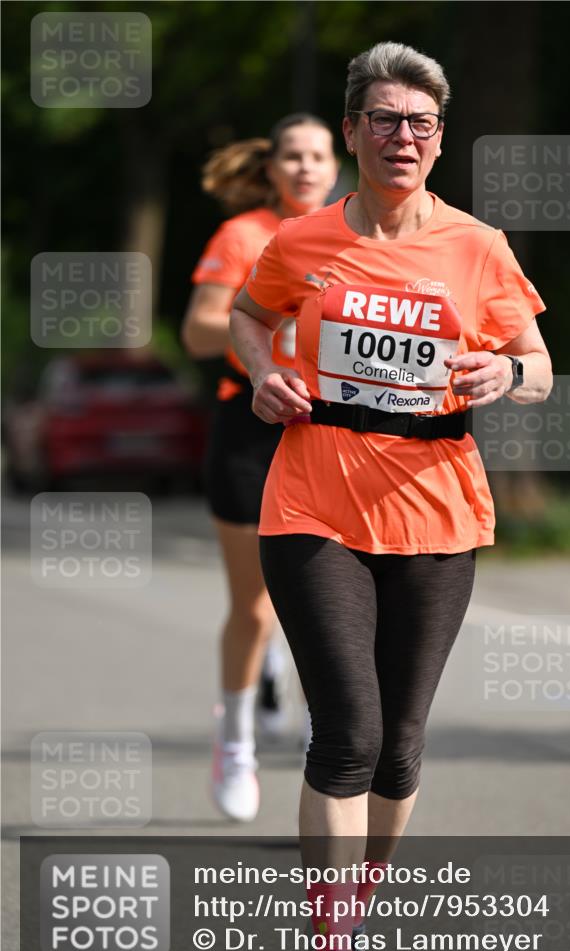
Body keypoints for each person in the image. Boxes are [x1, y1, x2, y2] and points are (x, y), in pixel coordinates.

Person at [230, 41, 552, 951]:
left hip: (437, 510)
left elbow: (537, 364)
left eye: (418, 122)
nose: (400, 136)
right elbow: (248, 315)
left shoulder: (477, 247)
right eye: (383, 119)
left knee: (401, 743)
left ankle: (356, 914)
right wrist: (264, 372)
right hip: (312, 501)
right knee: (349, 734)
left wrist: (506, 370)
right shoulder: (303, 240)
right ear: (352, 132)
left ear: (439, 139)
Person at [181, 114, 338, 823]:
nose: (305, 167)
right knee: (253, 606)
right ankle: (235, 745)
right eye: (292, 156)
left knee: (329, 607)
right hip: (248, 430)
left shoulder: (354, 235)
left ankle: (326, 757)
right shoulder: (244, 235)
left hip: (331, 432)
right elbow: (197, 331)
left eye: (317, 156)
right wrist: (279, 325)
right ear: (270, 169)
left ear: (335, 164)